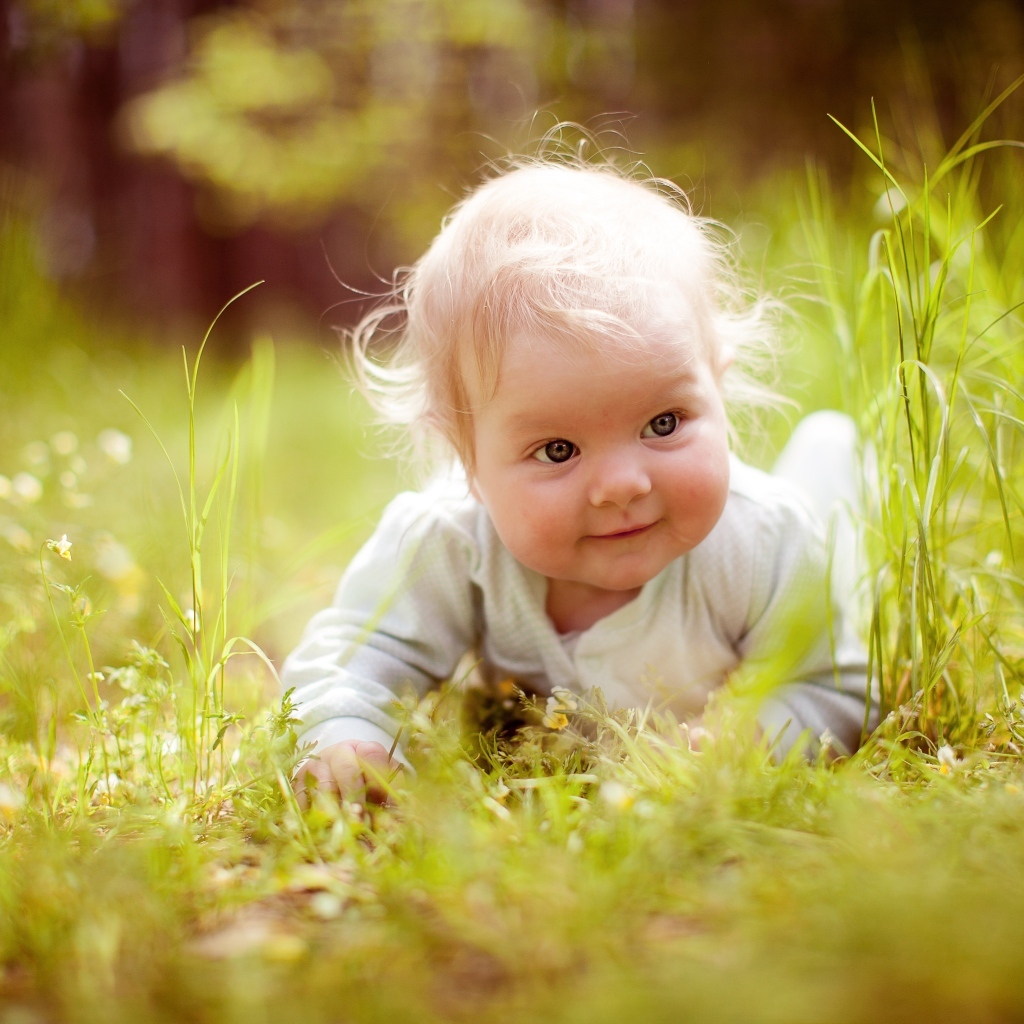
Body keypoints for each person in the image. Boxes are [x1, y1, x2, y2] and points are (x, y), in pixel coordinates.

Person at [283, 156, 875, 805]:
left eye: (664, 422)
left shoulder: (767, 540)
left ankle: (832, 456)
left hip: (805, 537)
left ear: (719, 386)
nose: (621, 484)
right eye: (558, 449)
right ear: (467, 458)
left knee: (836, 533)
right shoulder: (451, 543)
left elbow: (830, 683)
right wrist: (347, 733)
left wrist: (755, 736)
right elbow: (355, 658)